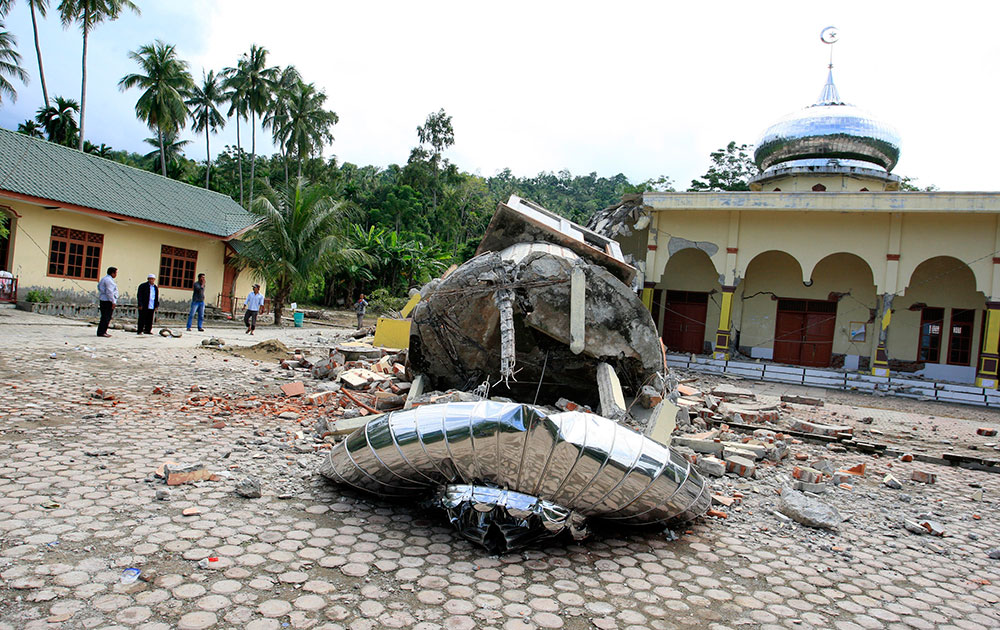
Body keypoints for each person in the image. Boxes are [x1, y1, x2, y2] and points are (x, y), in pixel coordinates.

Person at [96, 266, 118, 337]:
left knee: (104, 316)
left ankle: (102, 331)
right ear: (112, 273)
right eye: (115, 273)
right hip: (107, 300)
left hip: (103, 299)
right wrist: (113, 301)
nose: (116, 274)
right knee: (106, 317)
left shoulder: (104, 279)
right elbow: (110, 292)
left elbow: (99, 287)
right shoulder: (108, 280)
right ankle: (102, 332)